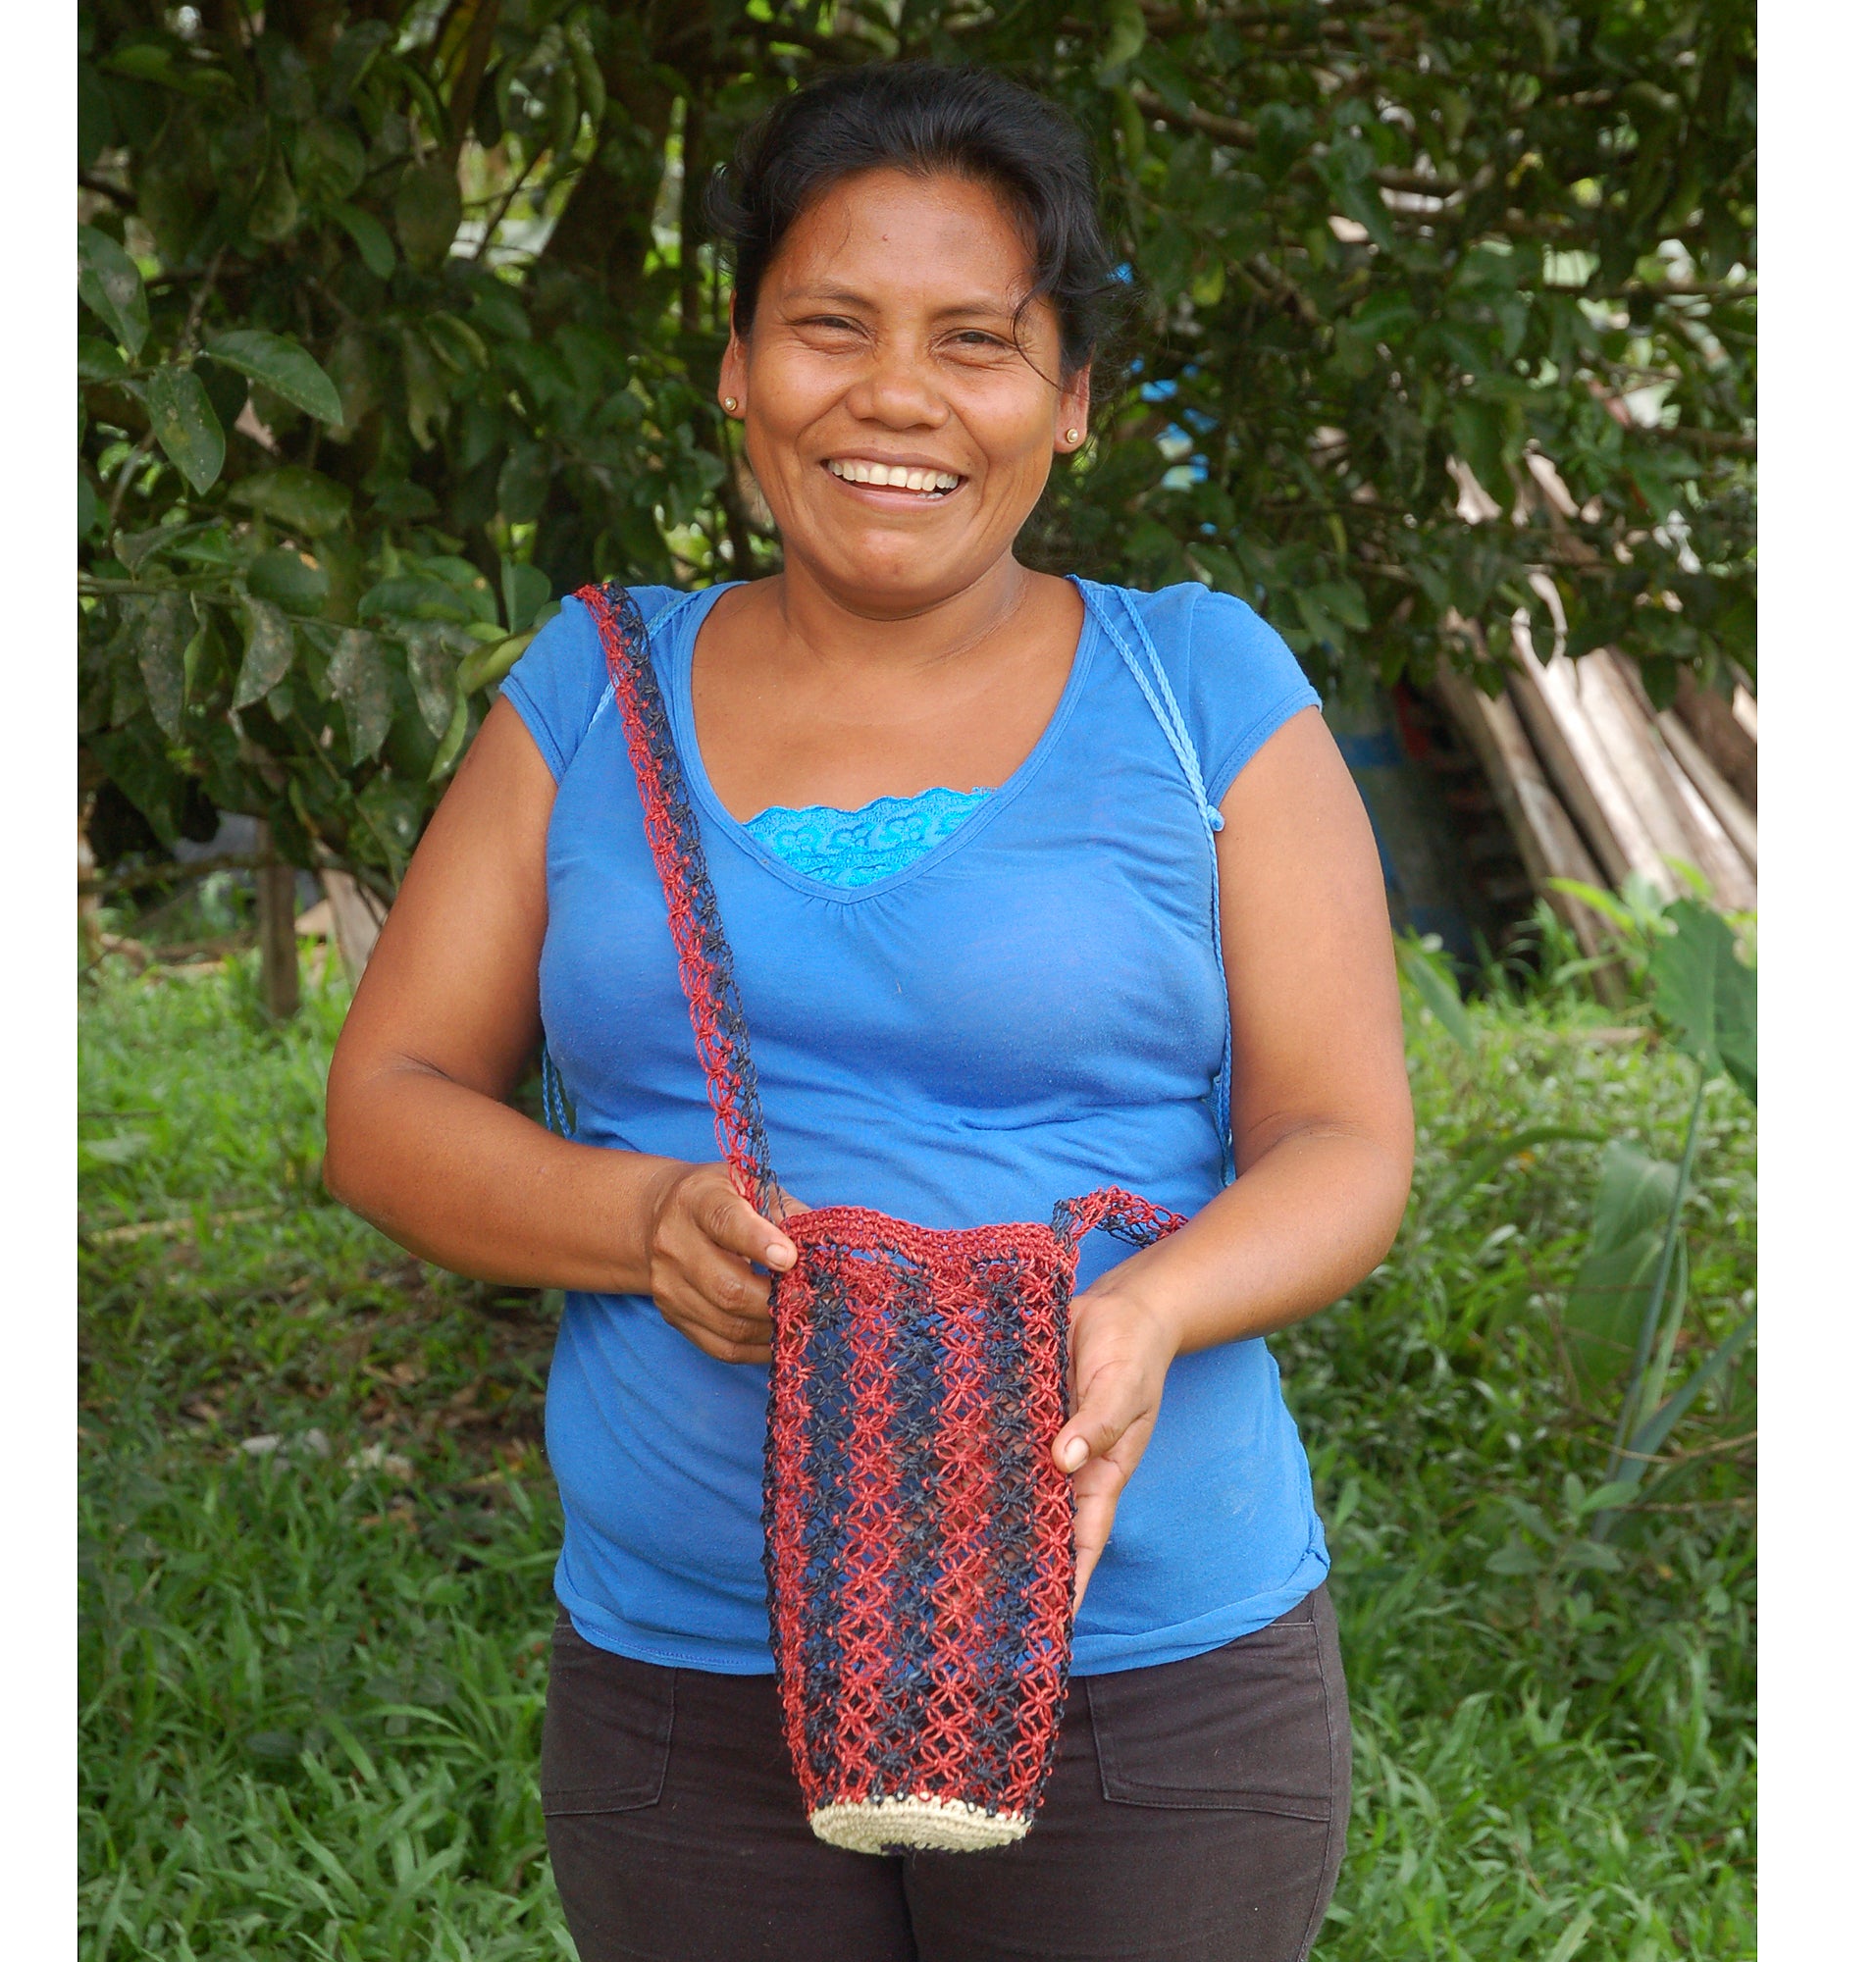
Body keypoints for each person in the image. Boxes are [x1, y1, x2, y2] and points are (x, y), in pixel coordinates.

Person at [325, 60, 1413, 1962]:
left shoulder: (1197, 687)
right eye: (832, 325)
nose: (895, 394)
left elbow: (1344, 1140)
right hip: (684, 1676)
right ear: (741, 364)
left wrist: (1150, 1308)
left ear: (1069, 401)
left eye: (975, 341)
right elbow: (389, 1102)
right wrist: (636, 1222)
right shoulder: (588, 694)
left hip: (1138, 1664)